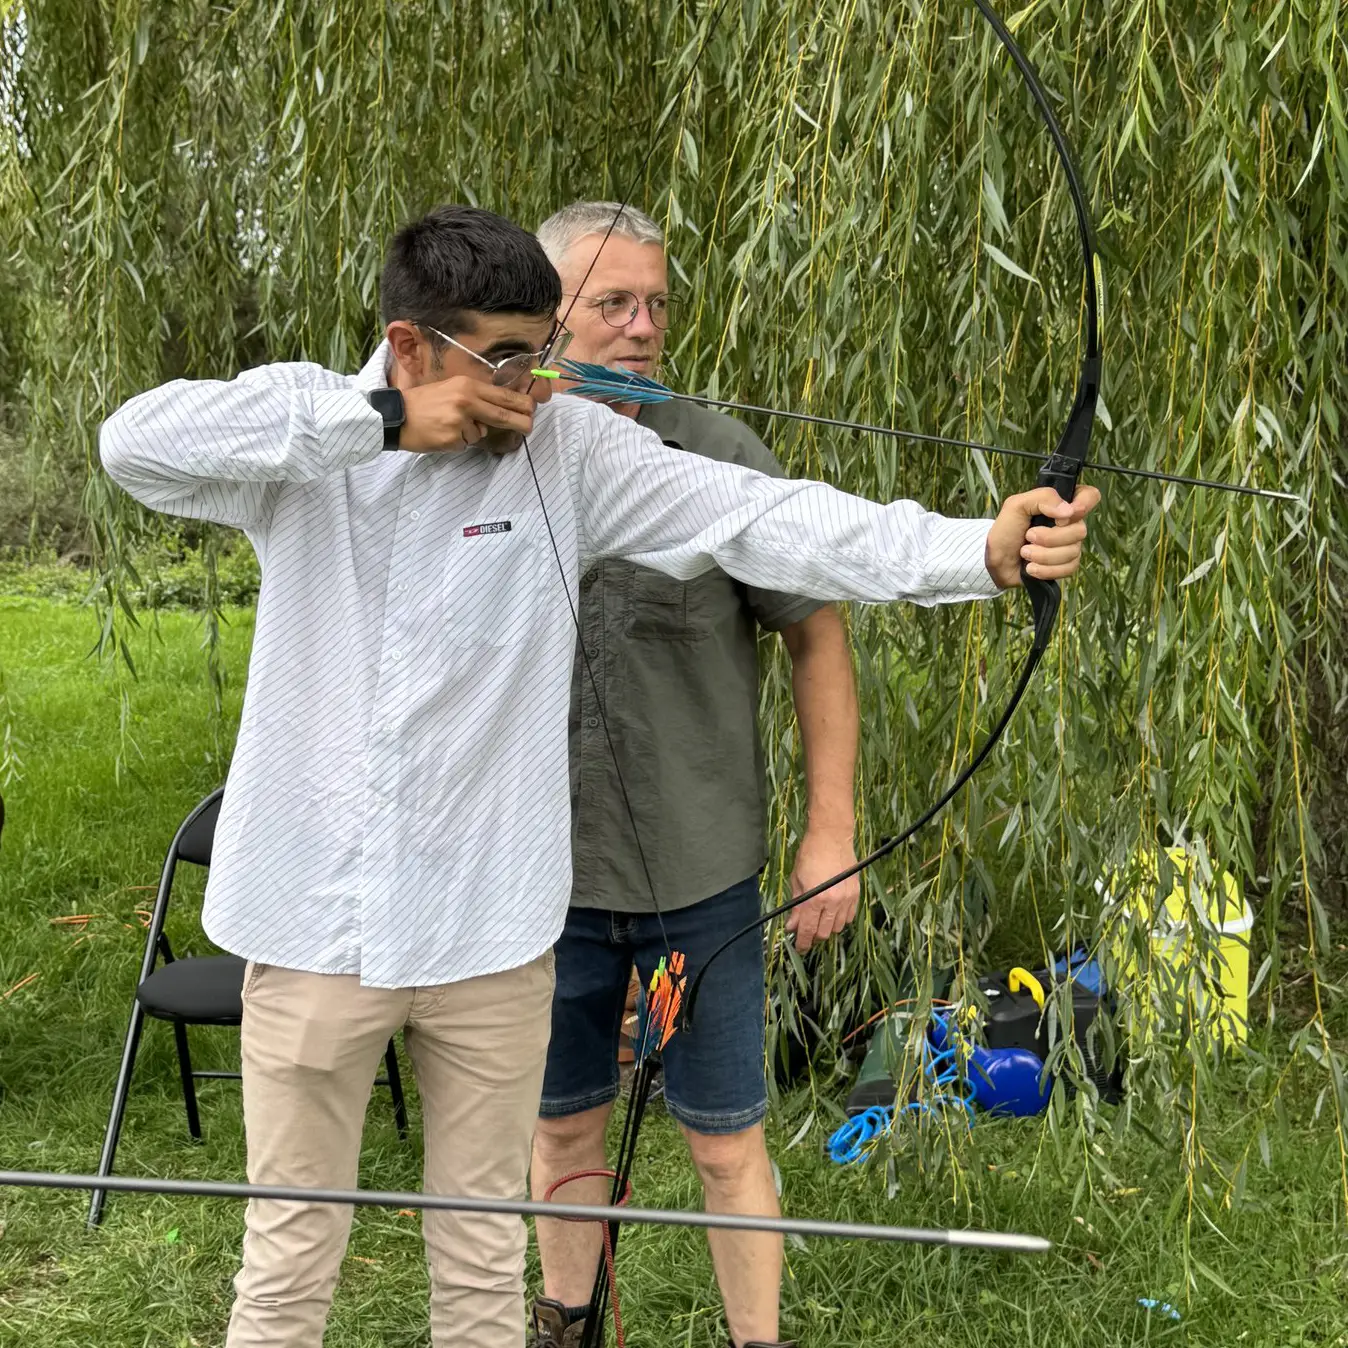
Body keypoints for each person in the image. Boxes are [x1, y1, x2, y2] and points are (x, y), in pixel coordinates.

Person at [99, 204, 1099, 1348]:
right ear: (414, 346)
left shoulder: (571, 452)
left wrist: (978, 549)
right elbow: (134, 442)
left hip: (488, 941)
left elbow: (768, 521)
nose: (538, 384)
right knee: (286, 1265)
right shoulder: (309, 436)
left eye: (543, 349)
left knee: (480, 1266)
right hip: (318, 929)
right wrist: (375, 420)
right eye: (509, 358)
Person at [528, 201, 861, 1348]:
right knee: (561, 1129)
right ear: (546, 312)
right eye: (610, 303)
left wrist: (831, 833)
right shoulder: (491, 454)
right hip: (535, 884)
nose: (641, 328)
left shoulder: (718, 454)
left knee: (724, 1141)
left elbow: (816, 632)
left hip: (698, 878)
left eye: (656, 304)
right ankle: (563, 1322)